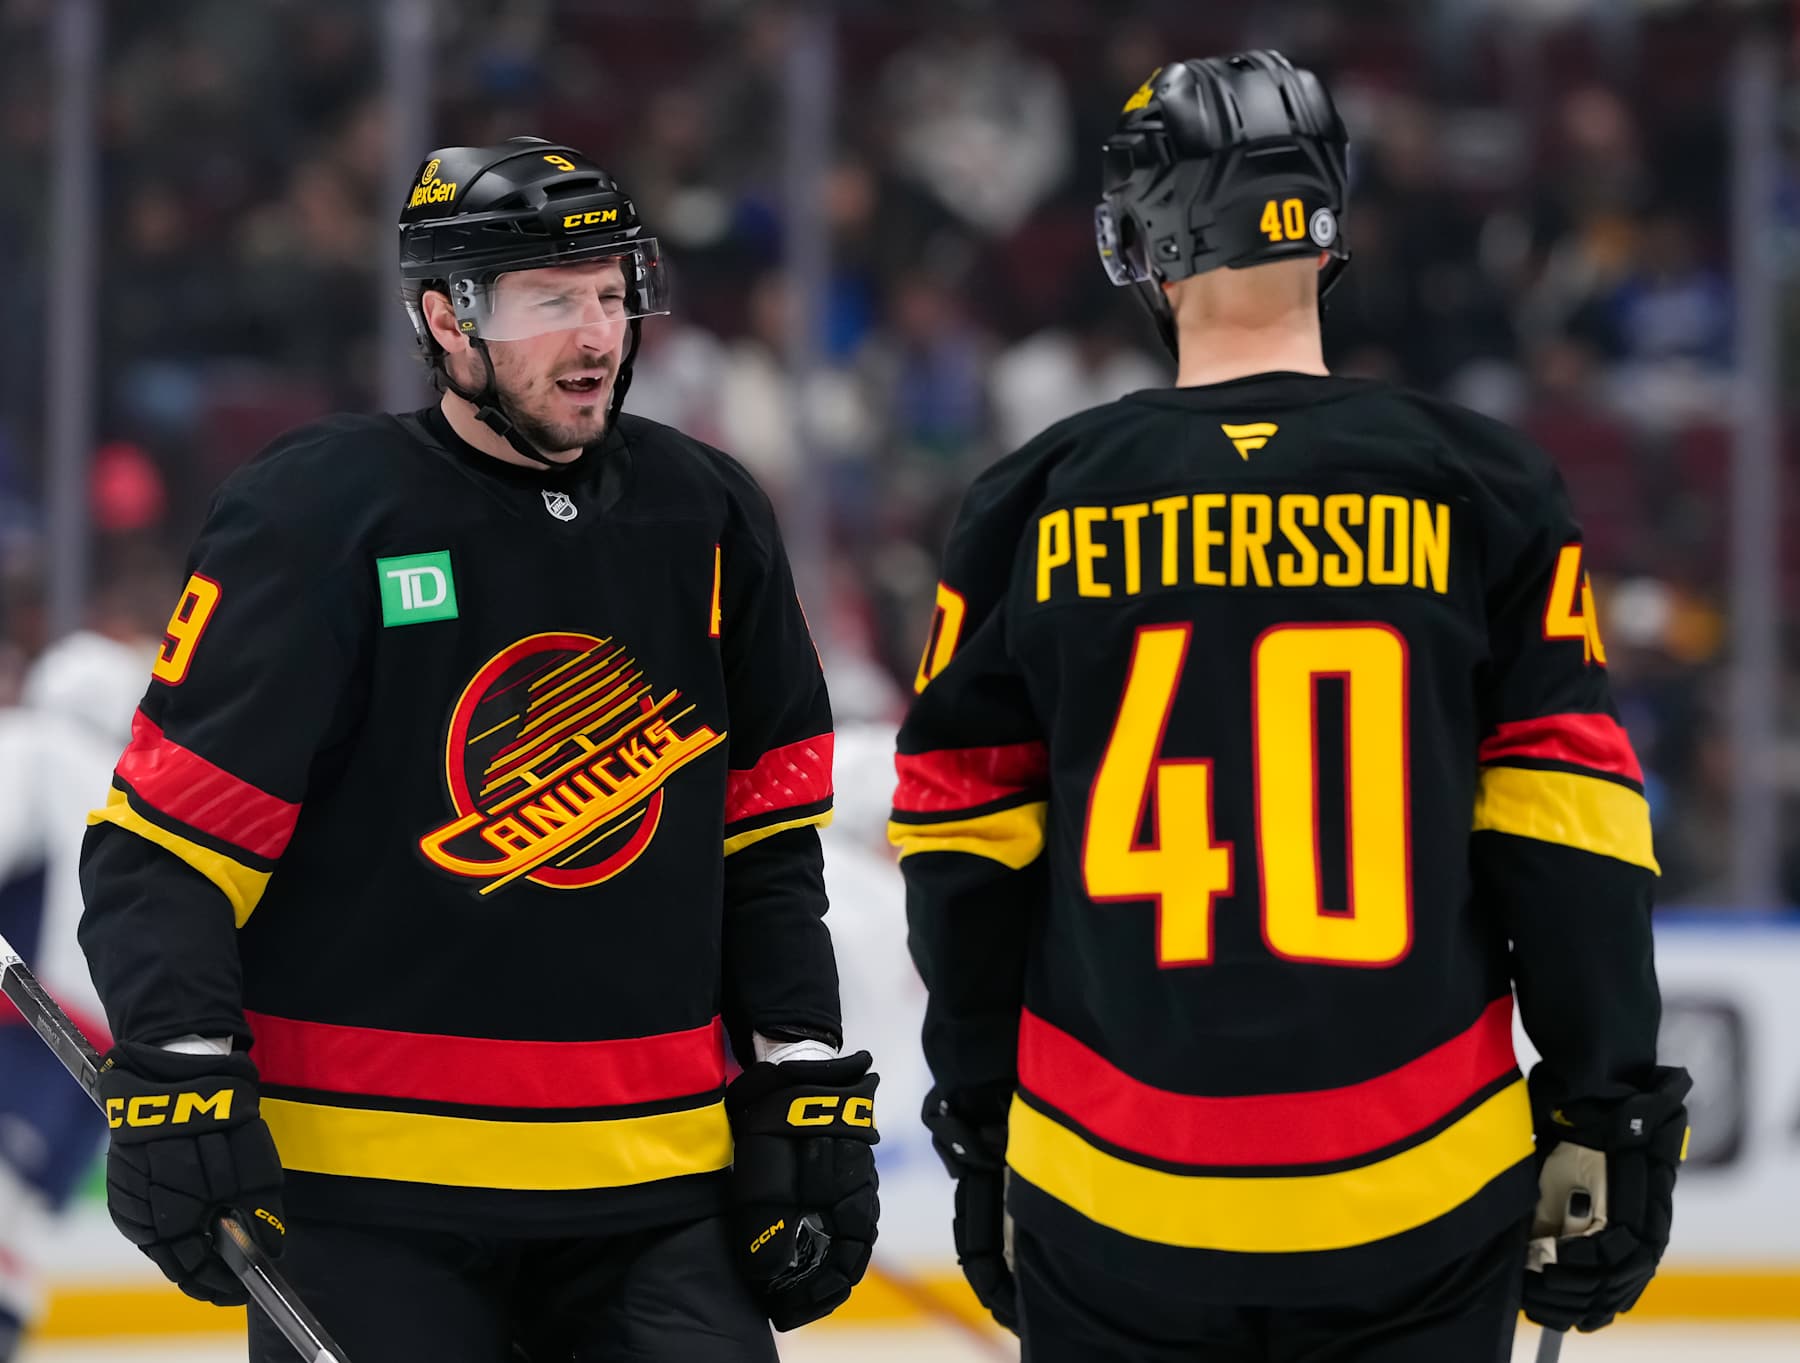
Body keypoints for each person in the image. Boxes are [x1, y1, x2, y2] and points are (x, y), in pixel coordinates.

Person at [891, 53, 1689, 1363]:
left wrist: (981, 1121)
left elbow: (961, 849)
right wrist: (1611, 1103)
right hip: (1422, 1188)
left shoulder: (1030, 502)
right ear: (1325, 226)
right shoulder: (1483, 486)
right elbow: (1568, 828)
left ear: (1144, 241)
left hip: (1114, 1193)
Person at [77, 137, 879, 1363]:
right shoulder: (320, 515)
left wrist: (800, 1067)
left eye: (612, 293)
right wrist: (182, 1064)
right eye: (550, 301)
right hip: (371, 1191)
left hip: (653, 1184)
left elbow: (767, 846)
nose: (598, 335)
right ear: (446, 320)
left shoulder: (708, 517)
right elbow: (169, 848)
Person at [0, 579, 163, 1359]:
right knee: (17, 1224)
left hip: (18, 1026)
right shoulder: (144, 797)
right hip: (96, 1057)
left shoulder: (29, 743)